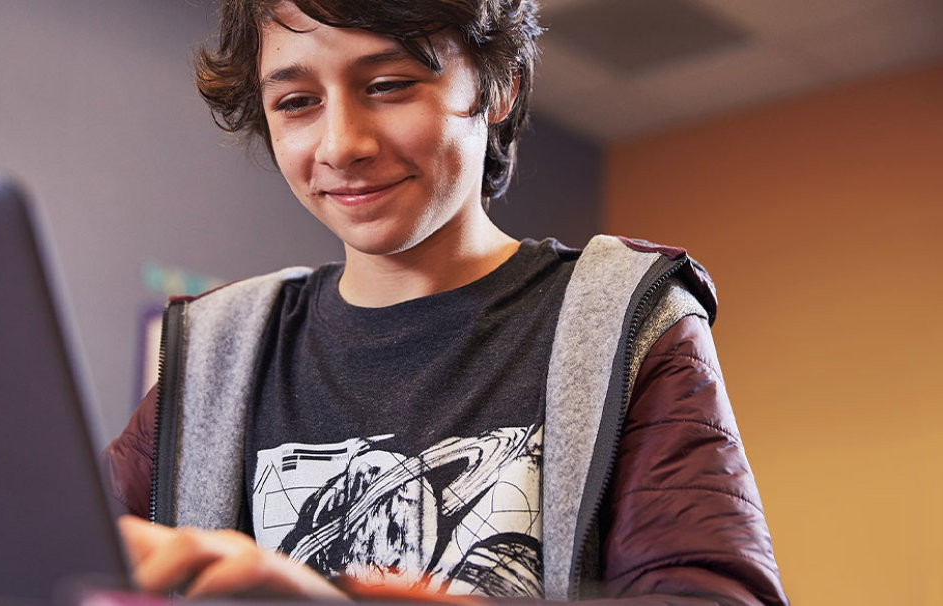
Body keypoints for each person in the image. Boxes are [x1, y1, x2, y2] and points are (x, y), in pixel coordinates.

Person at [104, 0, 789, 603]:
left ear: (499, 87)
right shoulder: (222, 347)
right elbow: (55, 556)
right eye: (296, 102)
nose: (342, 145)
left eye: (390, 85)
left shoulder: (625, 321)